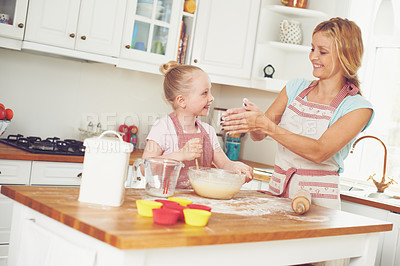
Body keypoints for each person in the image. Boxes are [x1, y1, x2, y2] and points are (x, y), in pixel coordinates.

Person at [221, 17, 374, 210]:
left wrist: (265, 125)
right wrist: (254, 120)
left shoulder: (358, 108)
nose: (313, 57)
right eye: (312, 49)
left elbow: (319, 152)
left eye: (322, 52)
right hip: (278, 192)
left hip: (319, 205)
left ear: (346, 56)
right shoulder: (296, 87)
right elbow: (259, 135)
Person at [142, 61, 253, 189]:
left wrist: (235, 166)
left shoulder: (208, 132)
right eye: (205, 93)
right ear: (182, 101)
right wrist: (180, 154)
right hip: (168, 201)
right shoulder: (163, 128)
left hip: (198, 203)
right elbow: (145, 168)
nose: (211, 98)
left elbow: (223, 163)